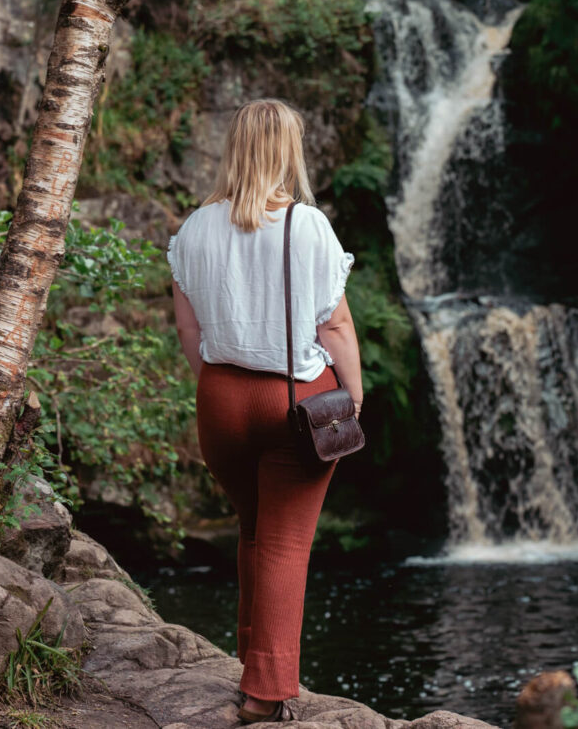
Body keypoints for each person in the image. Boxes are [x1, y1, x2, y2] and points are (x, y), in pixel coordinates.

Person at [167, 99, 363, 723]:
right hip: (293, 402)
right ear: (287, 151)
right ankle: (267, 692)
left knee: (253, 530)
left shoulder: (195, 228)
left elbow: (189, 330)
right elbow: (334, 326)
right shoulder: (307, 226)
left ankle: (252, 663)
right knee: (284, 544)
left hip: (220, 399)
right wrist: (354, 396)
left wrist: (219, 388)